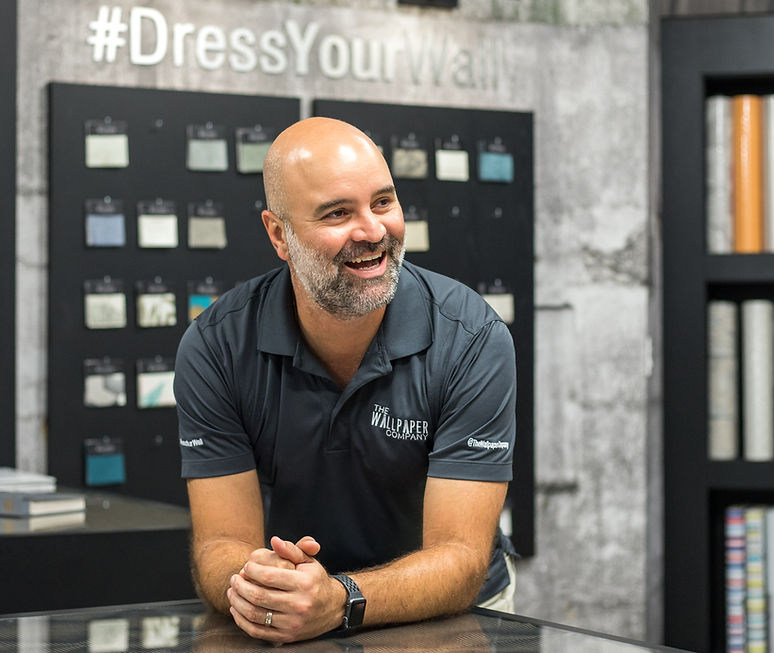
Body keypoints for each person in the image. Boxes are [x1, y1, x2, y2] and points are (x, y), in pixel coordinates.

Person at [174, 116, 518, 645]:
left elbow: (461, 559)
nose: (373, 231)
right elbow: (220, 543)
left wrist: (339, 598)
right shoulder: (217, 345)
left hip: (453, 618)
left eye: (383, 202)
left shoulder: (472, 338)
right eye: (338, 213)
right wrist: (259, 588)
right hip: (293, 619)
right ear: (278, 235)